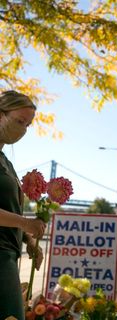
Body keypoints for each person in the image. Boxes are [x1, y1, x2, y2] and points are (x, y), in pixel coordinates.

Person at [0, 90, 46, 319]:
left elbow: (8, 209)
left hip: (8, 255)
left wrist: (28, 240)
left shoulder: (5, 161)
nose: (23, 130)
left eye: (28, 125)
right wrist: (26, 223)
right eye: (19, 121)